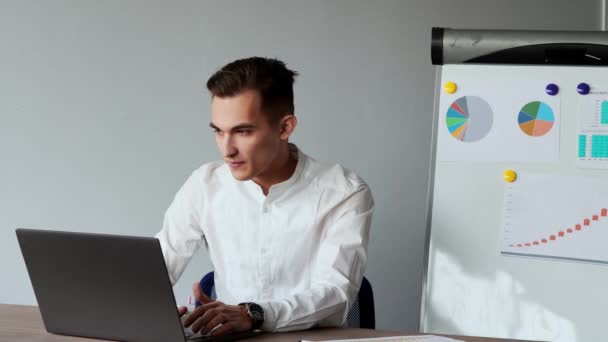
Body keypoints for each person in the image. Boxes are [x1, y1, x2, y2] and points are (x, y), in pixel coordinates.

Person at [155, 56, 374, 337]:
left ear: (285, 128)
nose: (227, 149)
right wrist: (148, 311)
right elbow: (159, 265)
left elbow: (336, 294)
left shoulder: (344, 192)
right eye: (219, 132)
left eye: (242, 131)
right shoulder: (205, 184)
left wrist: (254, 314)